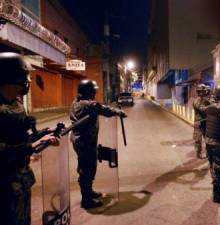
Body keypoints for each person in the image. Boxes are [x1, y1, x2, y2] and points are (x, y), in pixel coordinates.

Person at [0, 52, 59, 225]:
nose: (29, 81)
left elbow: (23, 138)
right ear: (11, 77)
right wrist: (30, 146)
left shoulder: (15, 105)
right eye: (25, 75)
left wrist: (44, 134)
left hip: (20, 181)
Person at [70, 79, 127, 209]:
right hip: (85, 142)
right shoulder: (89, 105)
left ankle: (88, 192)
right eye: (93, 92)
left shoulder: (75, 103)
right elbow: (104, 109)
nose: (94, 94)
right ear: (89, 92)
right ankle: (87, 200)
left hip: (79, 140)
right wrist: (119, 112)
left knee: (85, 167)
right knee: (88, 169)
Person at [193, 84, 210, 159]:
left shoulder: (205, 99)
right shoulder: (196, 101)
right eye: (202, 91)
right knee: (198, 139)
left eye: (204, 91)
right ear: (199, 92)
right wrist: (212, 106)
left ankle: (208, 153)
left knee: (207, 139)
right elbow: (203, 109)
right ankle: (198, 154)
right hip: (198, 122)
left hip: (205, 121)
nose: (204, 92)